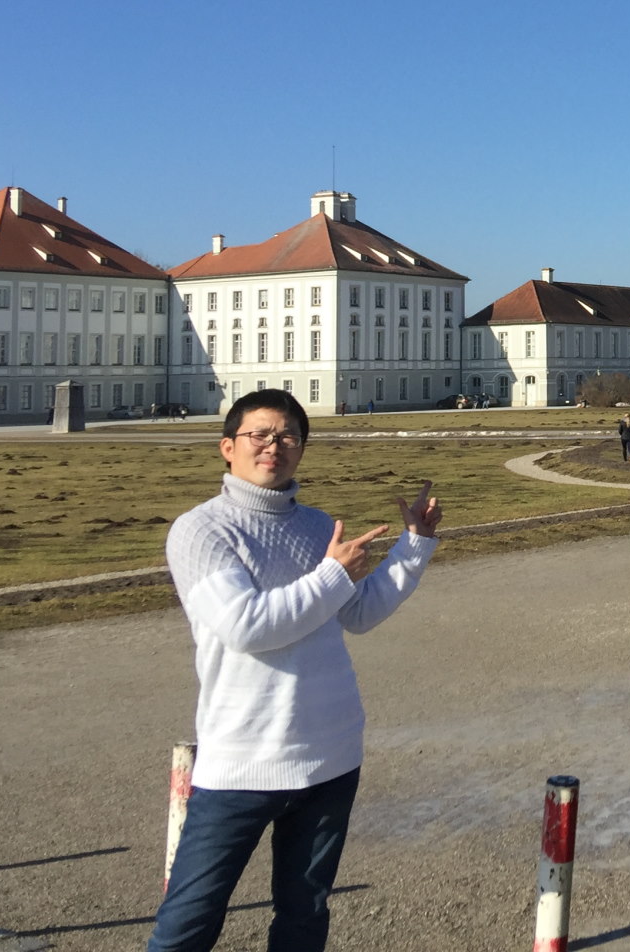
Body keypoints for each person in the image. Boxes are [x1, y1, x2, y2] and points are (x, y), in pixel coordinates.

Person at [148, 388, 441, 952]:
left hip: (330, 755)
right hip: (242, 762)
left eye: (287, 436)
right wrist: (332, 575)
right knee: (187, 924)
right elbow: (245, 625)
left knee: (304, 917)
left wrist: (414, 546)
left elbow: (357, 613)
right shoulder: (201, 531)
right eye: (259, 435)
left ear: (302, 448)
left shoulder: (314, 526)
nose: (273, 446)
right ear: (227, 447)